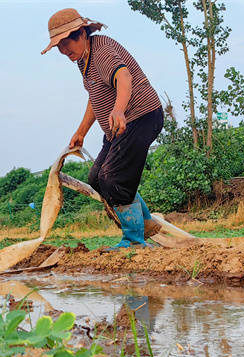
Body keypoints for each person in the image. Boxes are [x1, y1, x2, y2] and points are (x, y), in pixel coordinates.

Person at [42, 8, 164, 248]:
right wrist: (81, 132)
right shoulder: (83, 59)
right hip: (117, 127)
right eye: (59, 47)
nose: (64, 51)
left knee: (112, 178)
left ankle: (134, 240)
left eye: (66, 44)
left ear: (80, 33)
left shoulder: (101, 50)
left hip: (141, 116)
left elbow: (124, 77)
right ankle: (147, 222)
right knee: (97, 178)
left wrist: (118, 109)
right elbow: (95, 96)